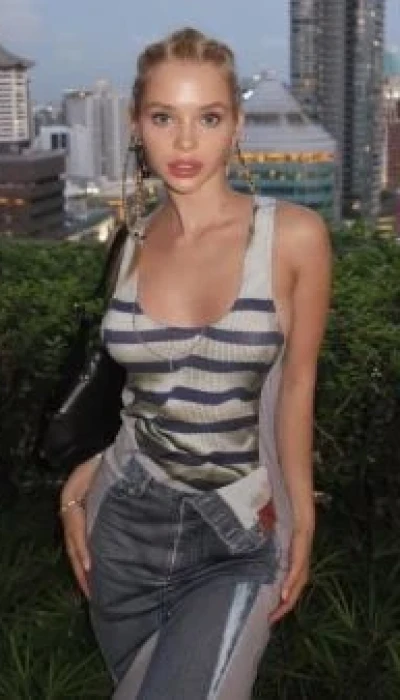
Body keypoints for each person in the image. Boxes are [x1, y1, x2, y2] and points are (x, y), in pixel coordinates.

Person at [59, 26, 332, 700]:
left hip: (236, 533)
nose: (185, 142)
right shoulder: (130, 241)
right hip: (123, 524)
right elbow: (137, 395)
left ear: (236, 125)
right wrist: (78, 484)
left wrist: (302, 514)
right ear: (137, 125)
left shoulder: (293, 237)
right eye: (164, 118)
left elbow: (297, 386)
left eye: (207, 118)